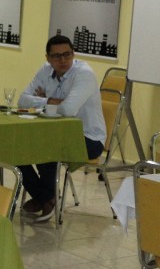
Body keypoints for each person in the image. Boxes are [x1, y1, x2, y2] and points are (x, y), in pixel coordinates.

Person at [18, 35, 106, 222]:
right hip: (54, 134)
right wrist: (50, 100)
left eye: (67, 54)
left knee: (48, 147)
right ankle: (45, 197)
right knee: (16, 148)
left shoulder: (84, 74)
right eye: (57, 56)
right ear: (48, 58)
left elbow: (68, 110)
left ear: (73, 54)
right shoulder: (45, 70)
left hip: (88, 138)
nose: (63, 60)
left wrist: (42, 102)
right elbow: (22, 100)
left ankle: (45, 199)